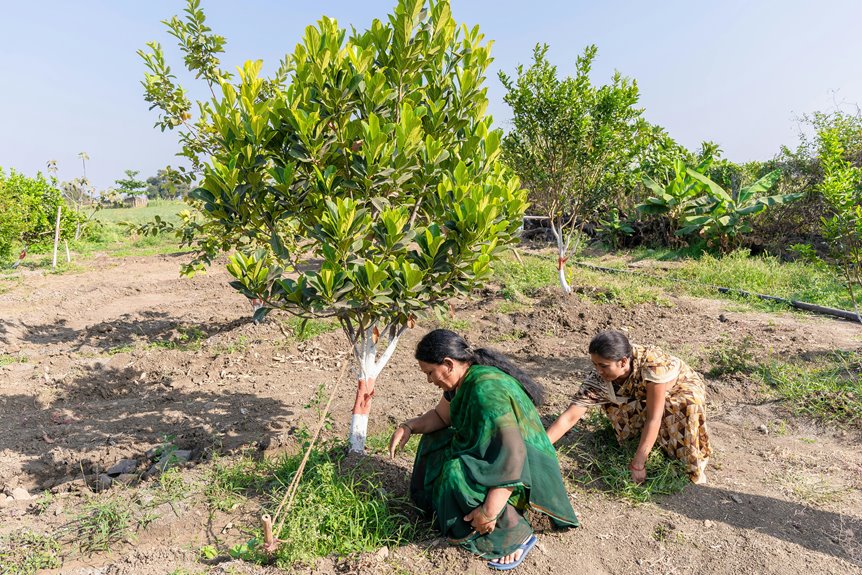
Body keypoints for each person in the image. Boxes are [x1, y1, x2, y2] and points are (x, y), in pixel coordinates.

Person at [389, 329, 579, 570]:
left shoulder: (486, 391)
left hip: (525, 471)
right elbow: (440, 416)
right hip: (505, 457)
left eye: (430, 373)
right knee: (434, 440)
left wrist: (489, 512)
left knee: (455, 471)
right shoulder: (460, 380)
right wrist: (409, 427)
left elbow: (512, 456)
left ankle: (513, 534)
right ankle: (446, 507)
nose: (429, 380)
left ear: (447, 364)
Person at [546, 330, 711, 484]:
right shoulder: (598, 379)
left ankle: (679, 462)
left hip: (679, 389)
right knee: (618, 400)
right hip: (642, 393)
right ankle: (642, 442)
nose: (598, 371)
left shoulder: (652, 365)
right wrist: (540, 446)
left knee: (678, 407)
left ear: (623, 362)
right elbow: (569, 416)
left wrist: (638, 464)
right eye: (595, 364)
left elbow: (654, 418)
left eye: (603, 366)